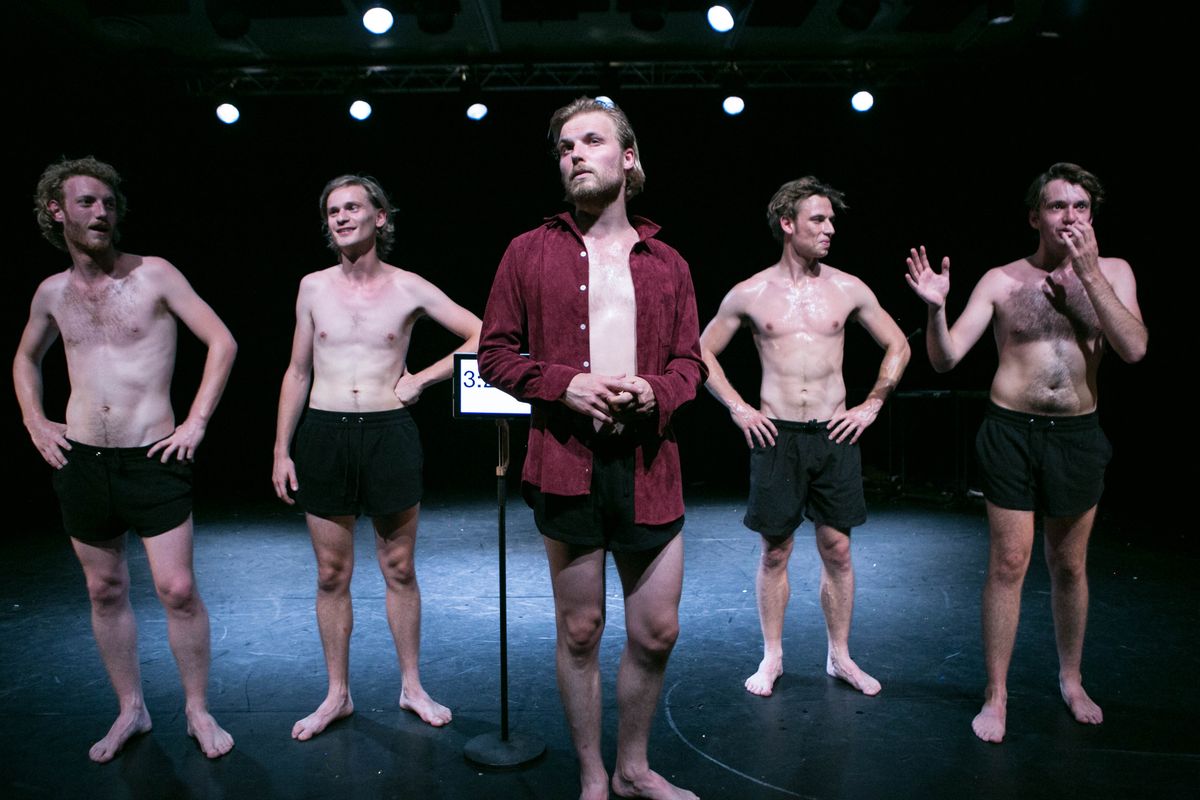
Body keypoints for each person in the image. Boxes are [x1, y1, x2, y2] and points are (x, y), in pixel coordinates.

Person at [478, 98, 704, 800]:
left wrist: (655, 392)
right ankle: (593, 775)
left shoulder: (668, 263)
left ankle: (633, 767)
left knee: (656, 630)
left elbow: (690, 365)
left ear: (628, 158)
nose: (574, 153)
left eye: (591, 140)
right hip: (566, 462)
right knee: (580, 630)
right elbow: (494, 354)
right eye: (564, 146)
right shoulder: (527, 251)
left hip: (648, 465)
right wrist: (565, 384)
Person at [905, 162, 1147, 743]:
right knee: (1009, 563)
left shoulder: (1114, 272)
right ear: (1035, 215)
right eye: (1058, 206)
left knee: (1069, 565)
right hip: (1011, 431)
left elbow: (1134, 348)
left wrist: (1090, 274)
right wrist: (935, 308)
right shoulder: (1001, 280)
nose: (1070, 217)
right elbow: (945, 359)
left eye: (1081, 207)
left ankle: (1071, 678)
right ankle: (997, 693)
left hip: (1077, 434)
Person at [13, 157, 238, 762]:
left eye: (108, 203)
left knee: (177, 588)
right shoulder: (51, 292)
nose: (101, 212)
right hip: (82, 460)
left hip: (152, 457)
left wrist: (196, 421)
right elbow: (25, 357)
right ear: (56, 211)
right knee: (104, 589)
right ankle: (131, 709)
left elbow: (222, 340)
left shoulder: (154, 274)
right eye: (87, 202)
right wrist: (34, 419)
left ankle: (196, 709)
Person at [272, 174, 479, 740]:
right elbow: (297, 371)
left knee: (399, 568)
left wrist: (422, 379)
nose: (341, 218)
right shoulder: (312, 287)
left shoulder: (408, 287)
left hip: (388, 434)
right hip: (324, 432)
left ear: (380, 217)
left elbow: (483, 334)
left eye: (352, 208)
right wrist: (281, 449)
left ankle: (412, 686)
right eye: (332, 211)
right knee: (331, 573)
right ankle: (337, 694)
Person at [700, 177, 910, 699]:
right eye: (819, 219)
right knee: (775, 552)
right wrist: (738, 408)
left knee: (838, 550)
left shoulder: (848, 288)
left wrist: (872, 404)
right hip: (777, 437)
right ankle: (772, 656)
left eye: (832, 220)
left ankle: (840, 656)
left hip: (834, 434)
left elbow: (899, 345)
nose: (830, 228)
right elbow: (699, 352)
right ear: (787, 224)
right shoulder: (750, 293)